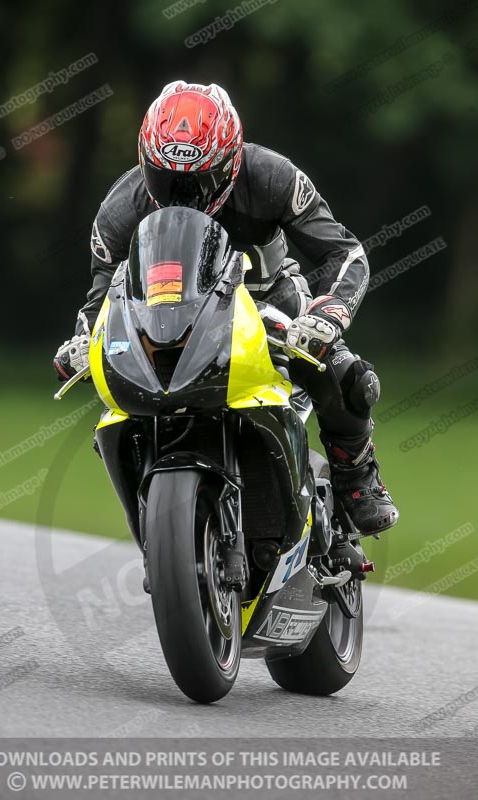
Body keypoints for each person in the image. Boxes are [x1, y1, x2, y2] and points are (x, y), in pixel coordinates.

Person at [54, 80, 399, 536]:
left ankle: (356, 476)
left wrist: (328, 314)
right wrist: (82, 340)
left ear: (230, 161)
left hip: (269, 301)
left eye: (198, 180)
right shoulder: (120, 209)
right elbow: (100, 296)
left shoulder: (273, 176)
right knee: (117, 403)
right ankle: (156, 511)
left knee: (345, 373)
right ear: (145, 161)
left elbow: (344, 252)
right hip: (168, 317)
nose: (183, 192)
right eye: (166, 177)